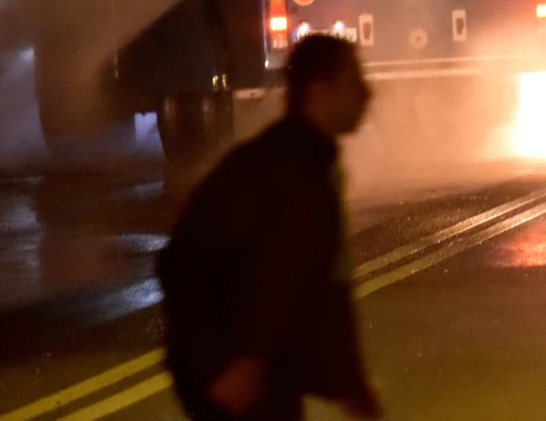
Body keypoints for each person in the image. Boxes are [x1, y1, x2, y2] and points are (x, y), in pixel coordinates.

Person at [158, 35, 381, 420]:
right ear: (320, 90)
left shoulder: (311, 163)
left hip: (255, 369)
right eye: (354, 80)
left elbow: (322, 291)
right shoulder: (288, 171)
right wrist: (231, 363)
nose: (367, 93)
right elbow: (270, 276)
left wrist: (350, 385)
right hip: (228, 372)